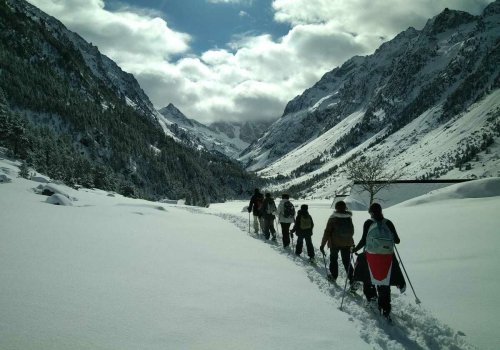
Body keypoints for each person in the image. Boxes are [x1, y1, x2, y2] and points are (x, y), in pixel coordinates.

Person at [352, 202, 406, 321]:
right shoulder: (389, 223)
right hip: (387, 257)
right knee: (383, 280)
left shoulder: (368, 223)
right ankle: (385, 309)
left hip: (371, 256)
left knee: (368, 277)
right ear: (381, 211)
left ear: (371, 212)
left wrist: (354, 249)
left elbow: (363, 240)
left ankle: (371, 299)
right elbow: (397, 241)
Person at [319, 201, 355, 286]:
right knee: (347, 262)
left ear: (336, 208)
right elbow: (352, 231)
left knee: (334, 259)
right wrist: (351, 242)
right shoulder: (348, 217)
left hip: (334, 243)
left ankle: (333, 276)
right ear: (345, 207)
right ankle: (353, 280)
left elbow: (327, 232)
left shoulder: (333, 218)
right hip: (347, 243)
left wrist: (322, 244)